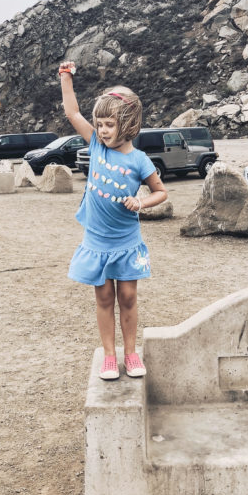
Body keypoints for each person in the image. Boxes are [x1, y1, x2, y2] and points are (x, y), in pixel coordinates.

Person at [59, 60, 168, 380]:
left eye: (109, 124)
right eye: (100, 124)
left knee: (129, 297)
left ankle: (131, 354)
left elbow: (161, 192)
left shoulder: (139, 160)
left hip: (126, 240)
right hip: (97, 239)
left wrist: (141, 202)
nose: (103, 130)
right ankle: (109, 356)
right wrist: (66, 78)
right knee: (104, 297)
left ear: (128, 124)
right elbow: (72, 113)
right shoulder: (95, 145)